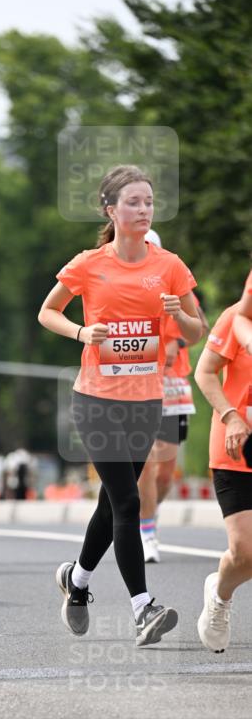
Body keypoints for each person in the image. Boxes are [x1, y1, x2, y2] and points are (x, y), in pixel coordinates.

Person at [38, 164, 202, 645]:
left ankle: (77, 579)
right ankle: (143, 608)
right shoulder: (89, 263)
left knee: (114, 504)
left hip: (146, 401)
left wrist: (180, 316)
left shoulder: (168, 265)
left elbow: (196, 331)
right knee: (129, 500)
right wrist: (82, 332)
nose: (143, 210)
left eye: (149, 202)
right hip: (96, 400)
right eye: (133, 202)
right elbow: (48, 311)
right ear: (111, 209)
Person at [138, 231, 209, 562]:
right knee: (147, 463)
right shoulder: (124, 282)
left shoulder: (174, 278)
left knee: (165, 471)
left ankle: (149, 512)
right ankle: (146, 530)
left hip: (173, 384)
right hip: (137, 383)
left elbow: (200, 327)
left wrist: (175, 343)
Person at [194, 272, 252, 652]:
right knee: (247, 550)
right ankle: (220, 595)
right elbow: (204, 372)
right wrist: (231, 415)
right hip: (238, 444)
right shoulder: (235, 317)